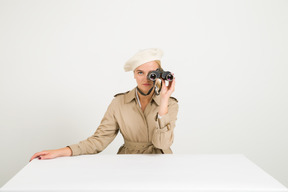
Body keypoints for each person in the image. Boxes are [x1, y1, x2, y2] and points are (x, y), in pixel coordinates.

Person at [30, 48, 178, 161]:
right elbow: (99, 140)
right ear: (133, 74)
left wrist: (163, 100)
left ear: (159, 74)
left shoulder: (170, 104)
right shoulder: (119, 103)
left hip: (161, 162)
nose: (146, 78)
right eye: (140, 72)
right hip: (128, 161)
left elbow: (162, 144)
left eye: (152, 73)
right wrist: (61, 151)